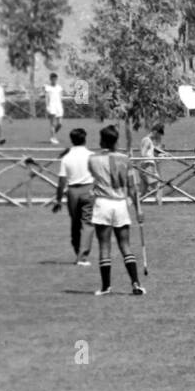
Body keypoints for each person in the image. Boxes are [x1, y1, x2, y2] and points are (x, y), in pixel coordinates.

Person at [87, 124, 145, 296]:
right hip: (120, 203)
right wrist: (138, 209)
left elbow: (93, 178)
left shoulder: (92, 159)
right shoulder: (125, 159)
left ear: (102, 140)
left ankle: (106, 287)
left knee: (104, 246)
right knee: (125, 245)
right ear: (116, 140)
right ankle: (135, 283)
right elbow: (132, 187)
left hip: (103, 204)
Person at [52, 127, 95, 266]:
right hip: (88, 189)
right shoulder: (91, 155)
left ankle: (79, 252)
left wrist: (58, 199)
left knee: (75, 224)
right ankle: (82, 256)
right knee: (87, 223)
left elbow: (61, 181)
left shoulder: (67, 157)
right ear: (85, 139)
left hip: (73, 192)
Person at [140, 123, 166, 205]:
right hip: (148, 166)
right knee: (159, 187)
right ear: (155, 131)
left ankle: (132, 205)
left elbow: (150, 153)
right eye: (158, 134)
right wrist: (152, 159)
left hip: (147, 166)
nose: (158, 137)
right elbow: (143, 153)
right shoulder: (147, 140)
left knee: (143, 192)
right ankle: (160, 207)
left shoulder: (148, 141)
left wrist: (159, 155)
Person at [43, 73, 64, 144]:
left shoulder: (59, 87)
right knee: (52, 123)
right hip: (51, 106)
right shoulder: (47, 87)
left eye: (55, 79)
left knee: (60, 124)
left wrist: (61, 105)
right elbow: (46, 98)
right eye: (53, 79)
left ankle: (53, 135)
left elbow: (60, 97)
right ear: (50, 79)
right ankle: (53, 137)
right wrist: (47, 106)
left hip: (59, 106)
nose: (54, 80)